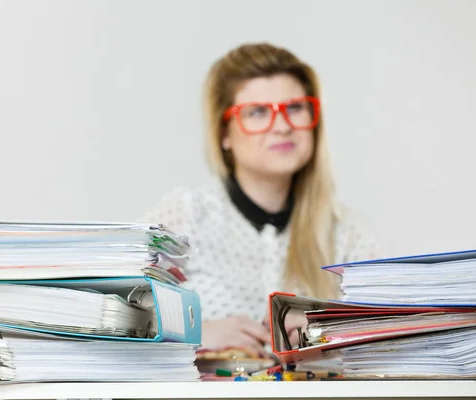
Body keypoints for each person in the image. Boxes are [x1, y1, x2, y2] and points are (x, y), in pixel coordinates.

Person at [143, 42, 381, 356]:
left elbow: (385, 345)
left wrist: (323, 335)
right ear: (223, 133)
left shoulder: (348, 237)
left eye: (294, 108)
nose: (282, 127)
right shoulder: (185, 215)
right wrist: (197, 332)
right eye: (257, 112)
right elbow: (117, 312)